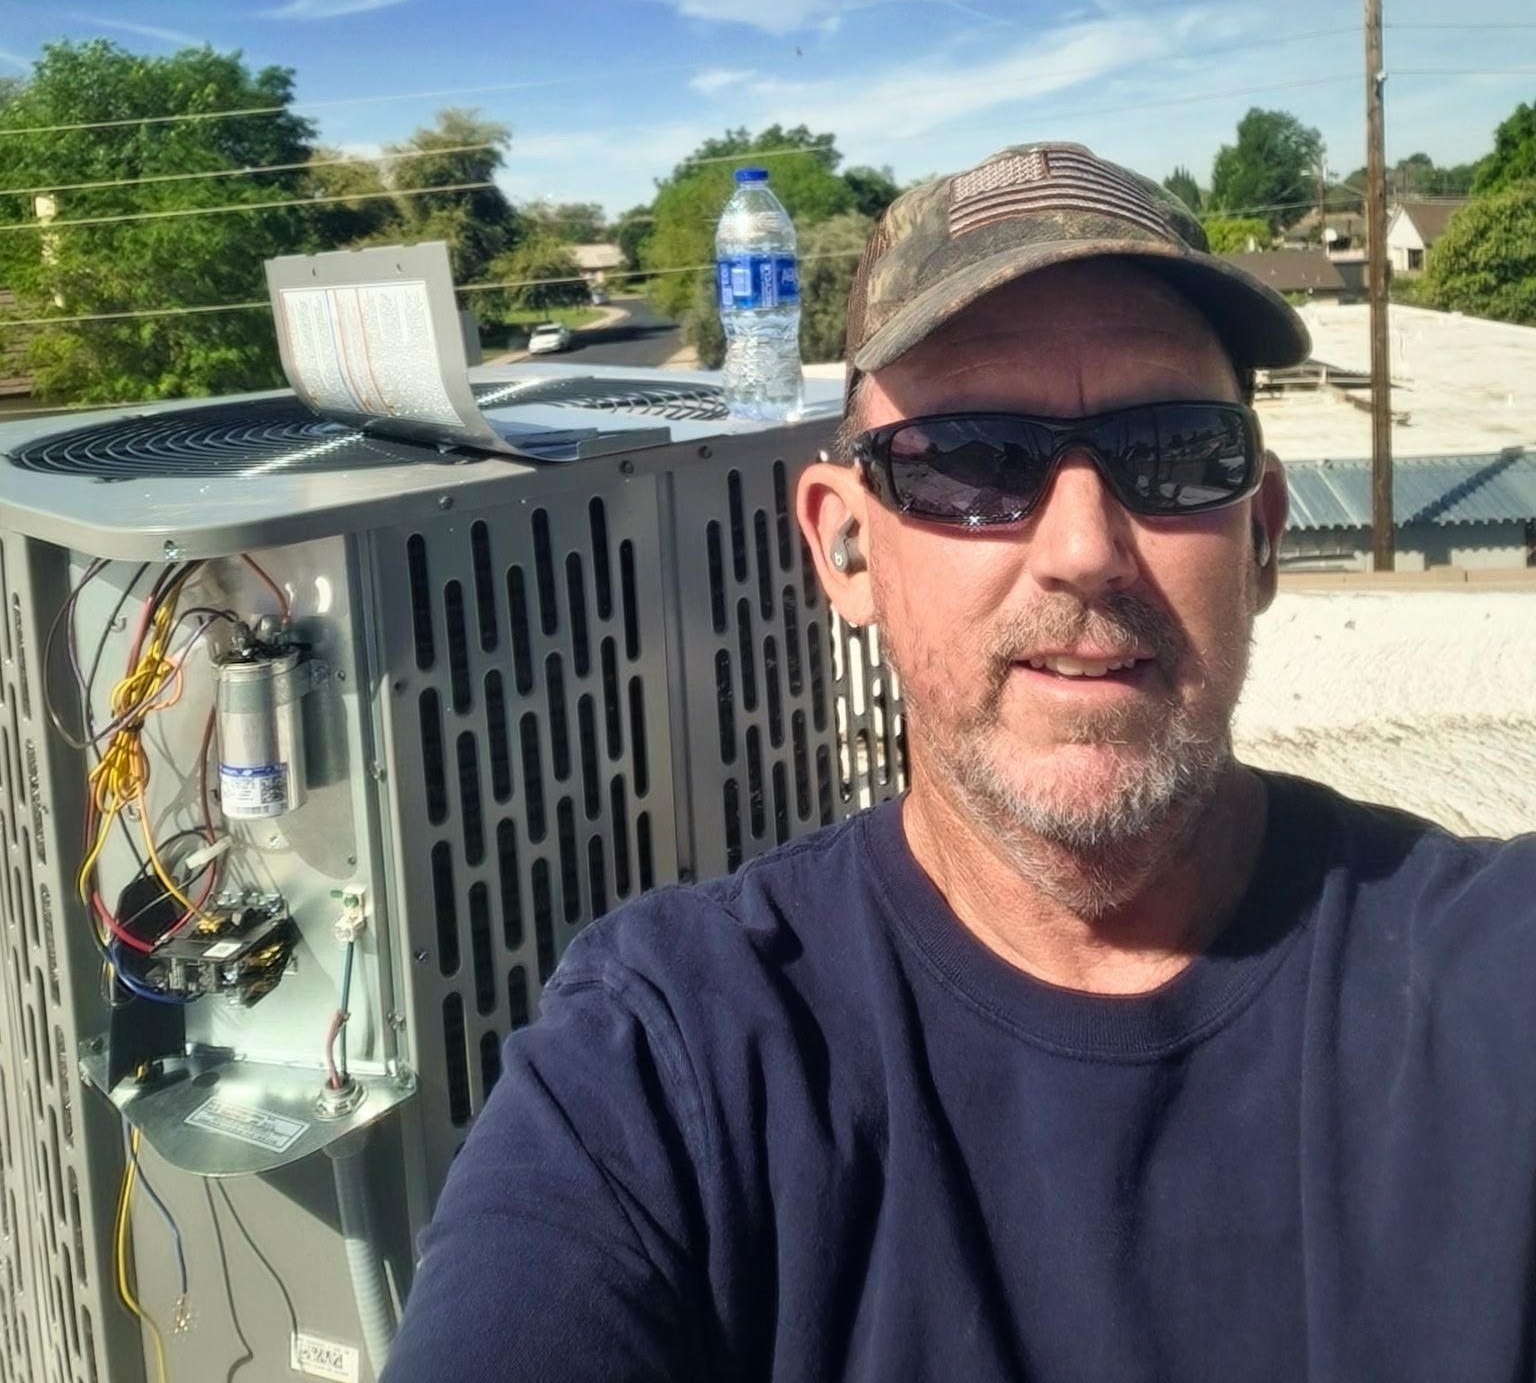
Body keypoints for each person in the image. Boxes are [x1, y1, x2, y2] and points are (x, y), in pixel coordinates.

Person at [385, 141, 1536, 1382]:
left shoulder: (1493, 979)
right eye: (971, 461)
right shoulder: (665, 1066)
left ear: (1258, 533)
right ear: (847, 549)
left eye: (1172, 451)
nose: (1084, 548)